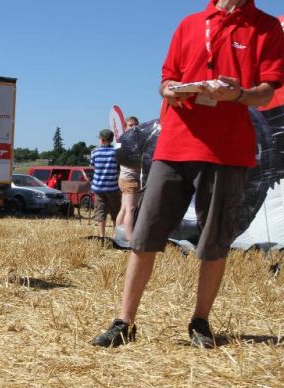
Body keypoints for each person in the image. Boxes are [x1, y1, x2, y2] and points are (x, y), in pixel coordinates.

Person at [92, 0, 284, 349]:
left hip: (228, 149)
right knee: (145, 234)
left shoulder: (266, 27)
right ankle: (124, 321)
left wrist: (238, 94)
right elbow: (166, 78)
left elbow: (268, 90)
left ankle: (200, 322)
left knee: (216, 239)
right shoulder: (190, 24)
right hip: (176, 143)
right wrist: (169, 90)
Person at [88, 129, 120, 239]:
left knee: (100, 211)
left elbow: (92, 165)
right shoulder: (116, 151)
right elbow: (119, 166)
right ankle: (115, 234)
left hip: (98, 187)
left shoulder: (95, 152)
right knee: (115, 210)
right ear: (111, 139)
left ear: (101, 139)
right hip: (113, 187)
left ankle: (101, 235)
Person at [114, 116, 140, 241]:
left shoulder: (120, 141)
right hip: (129, 178)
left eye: (135, 124)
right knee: (130, 209)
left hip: (126, 177)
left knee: (124, 208)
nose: (134, 127)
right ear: (125, 127)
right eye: (130, 125)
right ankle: (130, 239)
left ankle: (116, 235)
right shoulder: (128, 141)